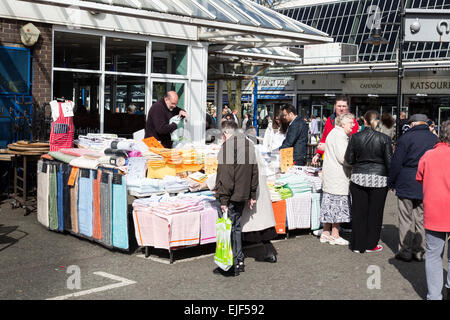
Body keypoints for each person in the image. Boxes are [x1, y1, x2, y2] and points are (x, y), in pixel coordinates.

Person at [388, 114, 439, 262]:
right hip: (425, 182)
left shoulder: (405, 138)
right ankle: (419, 251)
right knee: (421, 217)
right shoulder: (434, 139)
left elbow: (396, 162)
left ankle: (405, 251)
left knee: (405, 218)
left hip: (406, 180)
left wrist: (392, 182)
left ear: (412, 124)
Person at [213, 121, 258, 277]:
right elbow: (254, 171)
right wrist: (252, 194)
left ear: (225, 133)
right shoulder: (248, 144)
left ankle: (229, 264)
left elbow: (226, 176)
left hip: (230, 195)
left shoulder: (227, 147)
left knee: (228, 229)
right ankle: (239, 260)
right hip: (241, 194)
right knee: (236, 228)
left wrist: (223, 199)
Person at [344, 110, 393, 253]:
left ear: (364, 121)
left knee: (359, 213)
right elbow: (390, 162)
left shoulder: (355, 137)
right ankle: (371, 244)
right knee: (375, 214)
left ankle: (358, 245)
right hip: (379, 179)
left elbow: (350, 159)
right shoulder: (385, 139)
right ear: (379, 121)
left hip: (358, 177)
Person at [416, 120, 450, 300]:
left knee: (434, 256)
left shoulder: (428, 155)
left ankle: (434, 295)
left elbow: (420, 178)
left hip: (435, 212)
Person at [319, 113, 355, 246]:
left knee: (329, 205)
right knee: (337, 206)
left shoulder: (333, 132)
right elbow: (343, 157)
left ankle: (325, 232)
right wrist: (355, 163)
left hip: (331, 176)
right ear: (343, 124)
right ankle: (335, 234)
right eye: (351, 122)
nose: (353, 125)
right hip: (338, 177)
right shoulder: (340, 135)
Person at [312, 96, 359, 165]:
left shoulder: (352, 123)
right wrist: (318, 154)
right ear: (334, 107)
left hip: (344, 160)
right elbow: (324, 138)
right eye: (339, 106)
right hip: (329, 159)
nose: (341, 109)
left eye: (344, 106)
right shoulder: (330, 120)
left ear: (347, 107)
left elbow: (351, 144)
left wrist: (326, 147)